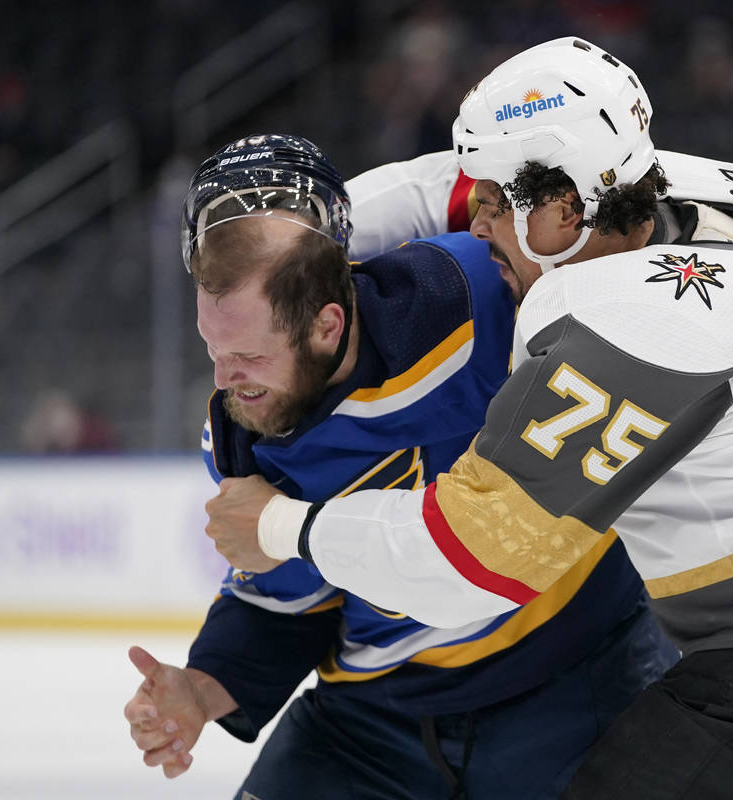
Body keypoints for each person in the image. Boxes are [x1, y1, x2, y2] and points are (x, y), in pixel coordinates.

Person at [205, 38, 733, 799]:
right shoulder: (696, 186)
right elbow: (432, 185)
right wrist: (299, 255)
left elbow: (469, 563)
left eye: (493, 203)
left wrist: (285, 527)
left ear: (562, 210)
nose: (474, 220)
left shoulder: (613, 327)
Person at [123, 133, 680, 800]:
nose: (224, 379)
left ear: (327, 324)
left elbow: (633, 219)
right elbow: (293, 602)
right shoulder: (248, 436)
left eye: (248, 354)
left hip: (582, 680)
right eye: (212, 347)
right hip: (373, 725)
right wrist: (201, 688)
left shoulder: (482, 297)